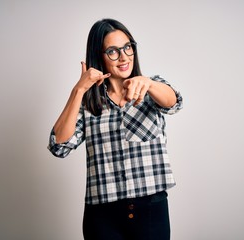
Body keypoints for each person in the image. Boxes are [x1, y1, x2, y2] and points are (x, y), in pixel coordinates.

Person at [48, 18, 183, 240]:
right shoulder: (88, 104)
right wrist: (79, 89)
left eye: (127, 47)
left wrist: (148, 83)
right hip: (102, 217)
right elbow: (59, 146)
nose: (123, 57)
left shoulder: (152, 89)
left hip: (150, 210)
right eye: (112, 51)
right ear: (98, 56)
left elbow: (174, 102)